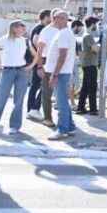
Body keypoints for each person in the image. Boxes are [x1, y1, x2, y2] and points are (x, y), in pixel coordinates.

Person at [0, 20, 35, 135]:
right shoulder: (4, 39)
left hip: (22, 72)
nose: (24, 29)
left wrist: (30, 66)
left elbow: (36, 55)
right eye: (21, 27)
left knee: (18, 101)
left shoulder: (26, 41)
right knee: (0, 100)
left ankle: (15, 126)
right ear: (14, 28)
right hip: (7, 71)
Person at [43, 11, 77, 140]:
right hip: (62, 72)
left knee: (61, 102)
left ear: (62, 19)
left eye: (54, 18)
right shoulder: (64, 33)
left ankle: (62, 130)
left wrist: (55, 75)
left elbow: (62, 56)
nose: (52, 20)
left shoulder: (63, 34)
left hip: (61, 73)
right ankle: (70, 127)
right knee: (63, 101)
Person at [34, 8, 62, 128]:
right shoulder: (46, 31)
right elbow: (40, 50)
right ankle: (47, 118)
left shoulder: (64, 29)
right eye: (58, 16)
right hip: (47, 61)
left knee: (62, 91)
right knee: (47, 91)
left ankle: (63, 117)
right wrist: (40, 66)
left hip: (61, 62)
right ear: (52, 17)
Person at [26, 9, 51, 121]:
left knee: (35, 85)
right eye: (51, 17)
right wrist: (45, 51)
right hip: (41, 60)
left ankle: (31, 110)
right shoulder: (41, 27)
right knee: (45, 85)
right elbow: (36, 41)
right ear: (46, 17)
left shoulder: (37, 27)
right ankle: (35, 108)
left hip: (37, 59)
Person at [77, 16, 100, 115]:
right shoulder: (88, 36)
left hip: (87, 63)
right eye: (96, 24)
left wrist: (95, 46)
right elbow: (96, 49)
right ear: (92, 24)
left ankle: (81, 107)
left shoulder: (86, 35)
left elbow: (93, 48)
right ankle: (93, 109)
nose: (97, 26)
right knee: (92, 87)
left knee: (85, 87)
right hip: (90, 64)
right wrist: (99, 45)